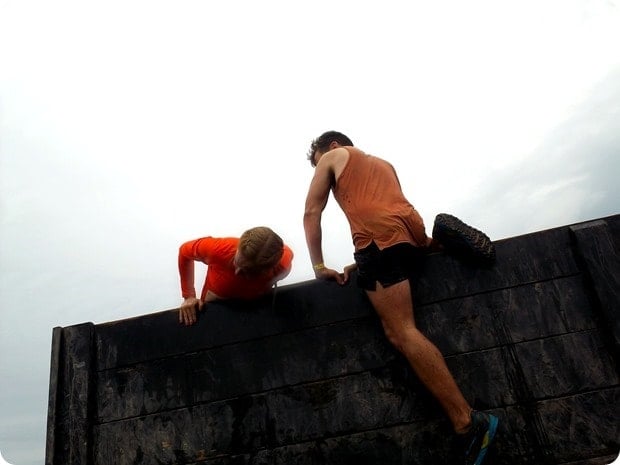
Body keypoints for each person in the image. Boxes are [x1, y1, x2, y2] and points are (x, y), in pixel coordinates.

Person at [303, 131, 498, 465]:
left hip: (378, 241)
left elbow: (311, 212)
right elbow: (383, 208)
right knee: (392, 316)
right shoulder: (382, 164)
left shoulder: (334, 157)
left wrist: (319, 265)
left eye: (317, 160)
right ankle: (438, 240)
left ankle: (469, 422)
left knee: (402, 332)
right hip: (408, 234)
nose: (319, 168)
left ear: (332, 146)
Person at [177, 226, 293, 326]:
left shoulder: (282, 267)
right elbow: (184, 252)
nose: (237, 272)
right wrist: (189, 296)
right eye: (236, 262)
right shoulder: (219, 249)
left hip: (253, 312)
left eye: (246, 271)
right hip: (214, 309)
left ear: (267, 270)